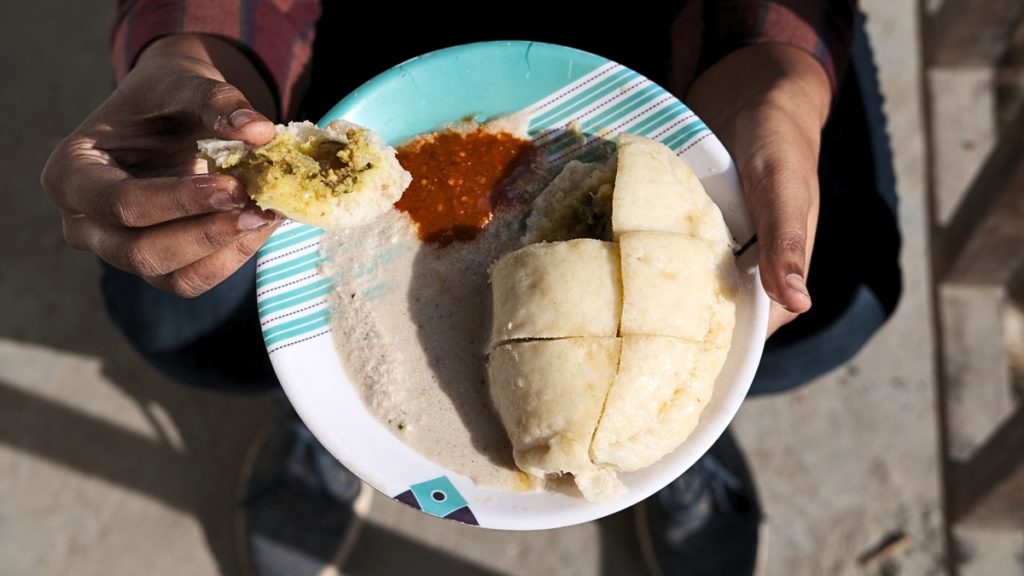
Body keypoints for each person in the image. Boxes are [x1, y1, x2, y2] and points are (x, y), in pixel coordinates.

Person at [40, 1, 901, 574]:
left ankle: (656, 428)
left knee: (839, 302)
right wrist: (200, 52)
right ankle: (331, 425)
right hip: (354, 37)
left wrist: (772, 78)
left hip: (672, 38)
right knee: (180, 318)